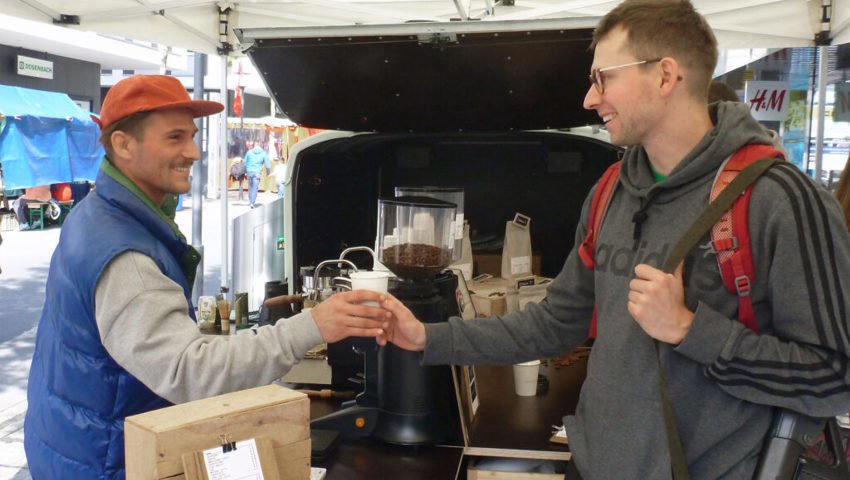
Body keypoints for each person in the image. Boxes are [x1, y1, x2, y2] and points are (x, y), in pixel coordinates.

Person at [378, 1, 850, 479]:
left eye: (603, 78)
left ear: (665, 76)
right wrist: (427, 338)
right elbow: (555, 324)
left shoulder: (780, 200)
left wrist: (690, 330)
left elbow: (835, 377)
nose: (589, 98)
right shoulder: (610, 191)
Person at [23, 74, 387, 480]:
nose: (193, 152)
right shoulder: (125, 254)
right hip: (107, 464)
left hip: (74, 445)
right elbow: (189, 374)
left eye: (192, 136)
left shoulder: (101, 212)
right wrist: (312, 325)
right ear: (123, 144)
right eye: (175, 138)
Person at [244, 141, 271, 208]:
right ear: (261, 146)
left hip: (249, 171)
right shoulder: (263, 153)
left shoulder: (249, 152)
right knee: (255, 188)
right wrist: (268, 173)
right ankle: (252, 203)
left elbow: (245, 162)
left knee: (250, 187)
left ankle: (250, 202)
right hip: (257, 172)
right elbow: (267, 165)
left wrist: (245, 171)